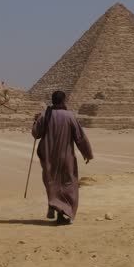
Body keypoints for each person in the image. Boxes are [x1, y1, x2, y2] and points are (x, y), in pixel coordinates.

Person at [32, 91, 93, 225]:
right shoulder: (70, 116)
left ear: (52, 101)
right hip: (66, 157)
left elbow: (36, 134)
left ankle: (53, 205)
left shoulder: (45, 115)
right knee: (68, 185)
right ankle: (62, 213)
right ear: (64, 101)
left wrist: (35, 121)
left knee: (52, 182)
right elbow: (80, 137)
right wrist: (87, 153)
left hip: (48, 156)